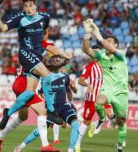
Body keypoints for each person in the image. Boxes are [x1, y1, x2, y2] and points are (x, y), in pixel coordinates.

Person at [0, 0, 67, 130]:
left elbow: (44, 33)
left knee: (30, 92)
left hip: (37, 57)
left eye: (30, 5)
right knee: (48, 76)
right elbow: (2, 28)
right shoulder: (20, 18)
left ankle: (7, 113)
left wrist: (45, 50)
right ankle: (51, 111)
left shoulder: (45, 17)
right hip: (25, 54)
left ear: (35, 6)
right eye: (25, 5)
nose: (28, 8)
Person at [0, 40, 69, 152]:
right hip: (24, 83)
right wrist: (65, 58)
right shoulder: (40, 45)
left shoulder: (33, 48)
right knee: (42, 111)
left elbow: (47, 68)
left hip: (20, 82)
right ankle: (45, 145)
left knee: (23, 117)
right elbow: (49, 63)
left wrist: (61, 62)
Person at [14, 55, 79, 152]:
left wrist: (72, 102)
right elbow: (40, 93)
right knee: (40, 130)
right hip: (52, 108)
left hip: (64, 106)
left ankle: (71, 149)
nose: (58, 62)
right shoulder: (46, 77)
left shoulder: (65, 77)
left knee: (75, 123)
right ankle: (21, 146)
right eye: (56, 61)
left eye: (58, 61)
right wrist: (48, 101)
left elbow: (69, 90)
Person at [82, 18, 129, 152]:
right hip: (107, 89)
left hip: (121, 92)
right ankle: (102, 120)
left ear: (116, 46)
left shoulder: (120, 55)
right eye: (106, 41)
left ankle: (119, 146)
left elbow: (110, 49)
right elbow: (86, 49)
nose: (106, 44)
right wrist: (87, 34)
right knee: (99, 101)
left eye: (110, 42)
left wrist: (98, 35)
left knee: (121, 123)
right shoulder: (102, 55)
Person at [75, 45, 115, 152]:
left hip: (103, 96)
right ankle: (77, 144)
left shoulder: (105, 66)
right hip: (91, 98)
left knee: (111, 115)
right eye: (94, 52)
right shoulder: (89, 67)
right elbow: (80, 80)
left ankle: (100, 121)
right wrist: (87, 84)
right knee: (86, 121)